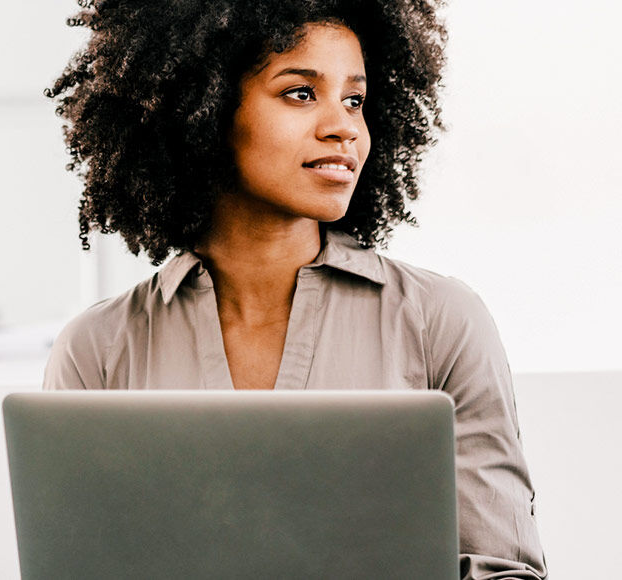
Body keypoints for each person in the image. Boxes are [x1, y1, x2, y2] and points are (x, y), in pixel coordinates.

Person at [42, 0, 547, 577]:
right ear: (200, 110)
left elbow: (502, 569)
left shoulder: (442, 322)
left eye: (354, 100)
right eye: (301, 93)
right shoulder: (99, 351)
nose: (344, 127)